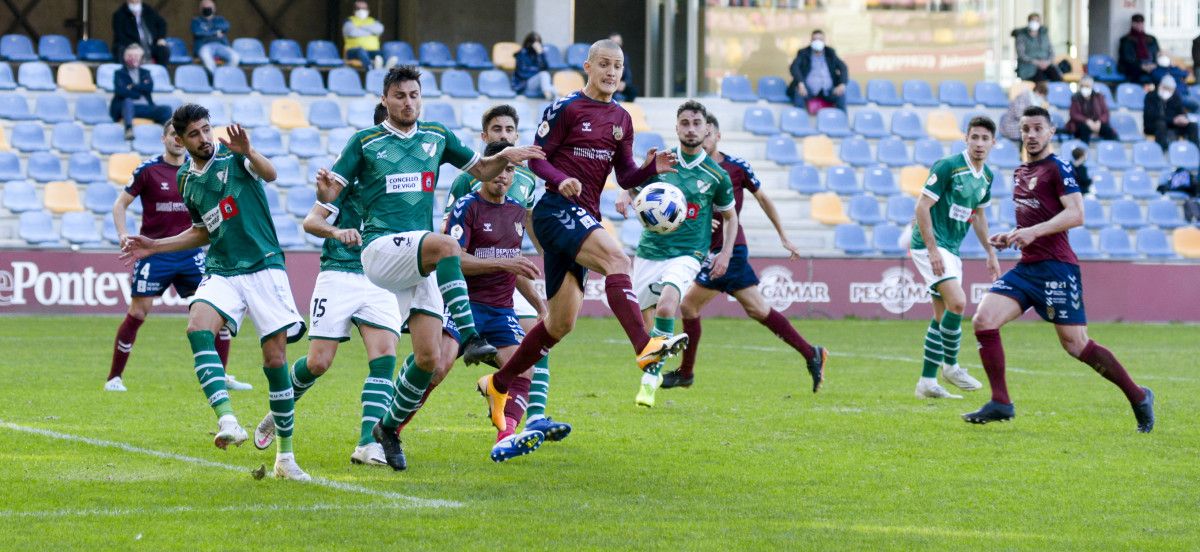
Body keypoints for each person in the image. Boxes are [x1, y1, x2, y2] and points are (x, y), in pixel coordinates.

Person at [315, 65, 545, 471]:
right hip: (381, 246)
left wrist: (506, 156)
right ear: (385, 99)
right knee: (447, 244)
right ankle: (473, 336)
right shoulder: (365, 142)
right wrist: (325, 192)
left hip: (417, 258)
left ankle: (387, 429)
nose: (408, 102)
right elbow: (328, 198)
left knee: (428, 360)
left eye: (414, 95)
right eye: (400, 96)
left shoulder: (437, 136)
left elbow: (482, 170)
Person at [475, 39, 685, 434]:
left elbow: (624, 177)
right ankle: (645, 346)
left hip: (583, 216)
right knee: (618, 261)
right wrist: (562, 178)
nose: (611, 72)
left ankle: (498, 384)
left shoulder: (622, 119)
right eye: (604, 64)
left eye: (618, 66)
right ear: (588, 67)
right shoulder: (565, 108)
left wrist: (650, 169)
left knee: (559, 324)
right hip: (556, 211)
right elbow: (538, 158)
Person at [120, 107, 313, 479]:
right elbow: (203, 230)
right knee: (197, 328)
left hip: (263, 265)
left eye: (206, 129)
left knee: (275, 361)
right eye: (194, 133)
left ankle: (285, 459)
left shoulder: (234, 156)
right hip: (223, 268)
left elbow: (271, 175)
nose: (204, 138)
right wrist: (154, 246)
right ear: (180, 140)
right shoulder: (186, 180)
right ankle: (228, 419)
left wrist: (249, 151)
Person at [964, 105, 1155, 433]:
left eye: (1038, 128)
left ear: (1051, 132)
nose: (1031, 135)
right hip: (1027, 268)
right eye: (1026, 129)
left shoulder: (1058, 167)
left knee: (1076, 345)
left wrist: (1033, 232)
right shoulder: (1021, 171)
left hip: (1057, 269)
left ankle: (1138, 396)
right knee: (983, 319)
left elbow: (1076, 214)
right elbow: (1035, 220)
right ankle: (1001, 402)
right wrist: (1011, 236)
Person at [252, 104, 400, 467]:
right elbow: (311, 221)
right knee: (319, 363)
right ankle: (280, 408)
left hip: (379, 276)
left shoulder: (404, 177)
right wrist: (337, 230)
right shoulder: (348, 176)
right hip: (339, 273)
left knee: (384, 358)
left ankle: (368, 443)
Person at [658, 113, 826, 392]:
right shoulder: (689, 170)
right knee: (758, 309)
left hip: (729, 249)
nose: (702, 137)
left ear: (716, 136)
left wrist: (783, 236)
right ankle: (811, 353)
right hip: (704, 249)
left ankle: (686, 373)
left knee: (689, 305)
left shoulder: (734, 169)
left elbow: (763, 199)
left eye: (707, 132)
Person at [443, 105, 572, 443]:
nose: (503, 135)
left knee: (538, 337)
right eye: (496, 130)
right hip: (472, 277)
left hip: (509, 274)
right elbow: (451, 237)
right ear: (485, 137)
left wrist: (551, 255)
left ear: (517, 136)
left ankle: (532, 417)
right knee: (437, 362)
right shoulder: (466, 179)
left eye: (509, 130)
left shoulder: (526, 179)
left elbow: (527, 224)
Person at [107, 121, 249, 394]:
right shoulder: (148, 171)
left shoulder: (197, 171)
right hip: (155, 252)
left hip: (189, 254)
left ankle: (222, 374)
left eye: (179, 136)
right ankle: (114, 377)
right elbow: (120, 204)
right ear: (165, 138)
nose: (176, 141)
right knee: (138, 311)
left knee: (217, 310)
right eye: (172, 135)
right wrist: (123, 234)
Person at [614, 101, 738, 407]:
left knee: (668, 307)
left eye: (697, 123)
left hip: (688, 253)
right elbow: (633, 184)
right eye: (685, 123)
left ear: (708, 129)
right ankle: (654, 366)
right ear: (677, 127)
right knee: (646, 328)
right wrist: (627, 196)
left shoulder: (717, 176)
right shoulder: (662, 161)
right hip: (649, 250)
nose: (691, 128)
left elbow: (731, 217)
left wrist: (724, 254)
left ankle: (650, 379)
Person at [910, 116, 1001, 399]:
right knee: (959, 302)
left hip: (952, 249)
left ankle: (926, 382)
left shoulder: (987, 177)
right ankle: (951, 366)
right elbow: (922, 207)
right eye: (974, 137)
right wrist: (933, 249)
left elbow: (980, 216)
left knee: (942, 317)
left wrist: (990, 253)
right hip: (931, 246)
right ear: (966, 138)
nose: (979, 143)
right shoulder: (948, 166)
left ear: (993, 143)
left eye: (985, 139)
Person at [109, 44, 172, 139]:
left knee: (166, 109)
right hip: (126, 108)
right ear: (125, 57)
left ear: (141, 58)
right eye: (130, 56)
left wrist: (132, 86)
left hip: (145, 107)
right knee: (127, 101)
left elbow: (149, 88)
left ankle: (168, 134)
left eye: (136, 56)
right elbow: (121, 91)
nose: (133, 58)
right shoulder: (119, 73)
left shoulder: (146, 72)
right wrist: (140, 91)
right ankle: (129, 130)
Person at [787, 29, 848, 113]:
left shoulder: (830, 53)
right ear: (811, 41)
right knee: (799, 92)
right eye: (815, 39)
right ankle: (798, 122)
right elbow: (794, 67)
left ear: (824, 41)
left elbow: (843, 67)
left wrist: (842, 84)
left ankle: (842, 122)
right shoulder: (803, 53)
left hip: (828, 90)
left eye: (820, 39)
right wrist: (800, 83)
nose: (817, 41)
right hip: (807, 89)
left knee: (841, 93)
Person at [1144, 76, 1200, 152]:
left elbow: (1180, 112)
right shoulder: (1150, 96)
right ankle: (1163, 151)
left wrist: (1183, 119)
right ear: (1160, 86)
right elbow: (1152, 116)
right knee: (1161, 124)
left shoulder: (1176, 97)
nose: (1167, 91)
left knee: (1192, 125)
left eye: (1170, 89)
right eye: (1165, 88)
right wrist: (1172, 120)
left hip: (1173, 125)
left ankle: (1195, 151)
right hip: (1154, 126)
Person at [112, 0, 170, 66]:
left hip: (149, 46)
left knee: (163, 50)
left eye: (136, 2)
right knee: (121, 50)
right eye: (132, 2)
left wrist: (160, 38)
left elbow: (162, 24)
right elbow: (120, 35)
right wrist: (134, 46)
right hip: (129, 45)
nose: (134, 3)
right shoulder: (119, 14)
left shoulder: (148, 10)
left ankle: (160, 73)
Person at [191, 0, 239, 74]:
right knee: (207, 58)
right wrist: (215, 32)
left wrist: (208, 30)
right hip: (204, 46)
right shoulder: (196, 21)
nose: (206, 9)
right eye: (204, 7)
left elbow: (226, 26)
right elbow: (197, 32)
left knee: (235, 57)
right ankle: (214, 78)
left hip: (220, 45)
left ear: (214, 9)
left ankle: (223, 75)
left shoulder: (220, 19)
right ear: (200, 9)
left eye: (209, 7)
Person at [1066, 76, 1117, 143]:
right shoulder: (1075, 98)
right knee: (1084, 129)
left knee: (1109, 131)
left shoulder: (1099, 97)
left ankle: (1109, 150)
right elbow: (1073, 114)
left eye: (1087, 86)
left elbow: (1106, 113)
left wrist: (1099, 122)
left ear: (1092, 86)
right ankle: (1083, 151)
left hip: (1097, 123)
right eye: (1082, 86)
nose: (1085, 88)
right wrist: (1087, 121)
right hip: (1082, 124)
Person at [1014, 13, 1061, 82]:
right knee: (1040, 81)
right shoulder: (1021, 36)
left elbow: (1051, 52)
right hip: (1029, 67)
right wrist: (1037, 62)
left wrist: (1047, 62)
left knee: (1057, 78)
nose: (1034, 23)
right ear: (1028, 22)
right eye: (1032, 20)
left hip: (1046, 64)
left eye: (1037, 21)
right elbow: (1022, 55)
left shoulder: (1044, 35)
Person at [343, 0, 389, 70]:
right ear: (354, 10)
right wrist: (371, 31)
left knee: (384, 53)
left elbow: (380, 29)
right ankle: (370, 69)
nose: (361, 11)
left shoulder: (373, 20)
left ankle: (384, 69)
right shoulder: (349, 21)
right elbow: (352, 32)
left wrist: (361, 27)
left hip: (372, 51)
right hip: (353, 52)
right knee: (361, 50)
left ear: (368, 10)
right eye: (358, 8)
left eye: (364, 8)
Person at [1118, 13, 1160, 84]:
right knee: (1139, 76)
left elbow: (1157, 53)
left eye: (1141, 23)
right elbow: (1127, 58)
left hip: (1151, 66)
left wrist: (1154, 64)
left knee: (1161, 74)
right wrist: (1141, 66)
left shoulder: (1151, 38)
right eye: (1137, 23)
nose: (1139, 25)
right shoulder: (1126, 40)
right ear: (1132, 24)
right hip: (1135, 67)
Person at [512, 32, 554, 100]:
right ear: (529, 43)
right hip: (524, 85)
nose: (537, 45)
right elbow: (523, 73)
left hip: (538, 84)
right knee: (543, 75)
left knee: (554, 90)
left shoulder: (539, 53)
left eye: (539, 43)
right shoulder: (522, 53)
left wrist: (540, 54)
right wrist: (537, 71)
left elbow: (546, 68)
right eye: (535, 43)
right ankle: (548, 97)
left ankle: (551, 101)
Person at [608, 33, 638, 102]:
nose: (616, 46)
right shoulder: (604, 57)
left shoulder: (624, 57)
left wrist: (624, 83)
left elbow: (628, 75)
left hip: (620, 85)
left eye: (618, 44)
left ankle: (626, 110)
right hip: (608, 84)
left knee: (632, 91)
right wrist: (615, 83)